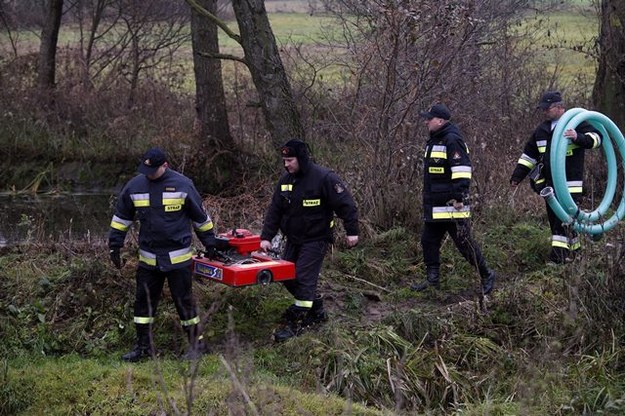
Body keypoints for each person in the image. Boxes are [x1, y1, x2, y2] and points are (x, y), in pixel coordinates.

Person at [108, 147, 217, 362]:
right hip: (149, 259)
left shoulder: (183, 185)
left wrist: (211, 243)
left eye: (153, 170)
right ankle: (143, 348)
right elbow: (121, 219)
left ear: (165, 165)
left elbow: (200, 219)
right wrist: (114, 245)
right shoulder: (134, 186)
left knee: (184, 303)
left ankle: (198, 346)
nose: (148, 174)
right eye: (145, 169)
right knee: (143, 305)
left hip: (178, 260)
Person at [259, 139, 359, 342]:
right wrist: (266, 237)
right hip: (294, 239)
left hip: (316, 238)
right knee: (286, 274)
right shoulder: (286, 181)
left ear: (301, 159)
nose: (286, 164)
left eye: (290, 160)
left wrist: (352, 232)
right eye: (284, 160)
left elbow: (346, 205)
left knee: (304, 278)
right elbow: (275, 210)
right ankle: (316, 308)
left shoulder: (324, 178)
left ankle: (299, 322)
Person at [410, 104, 495, 294]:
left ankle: (487, 274)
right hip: (436, 206)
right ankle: (433, 280)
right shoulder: (434, 140)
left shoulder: (452, 140)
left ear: (440, 121)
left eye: (429, 118)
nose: (426, 121)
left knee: (464, 244)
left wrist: (459, 197)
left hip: (452, 205)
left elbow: (462, 171)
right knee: (428, 242)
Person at [510, 91, 602, 264]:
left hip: (570, 184)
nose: (544, 112)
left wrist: (578, 137)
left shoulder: (577, 124)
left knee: (564, 219)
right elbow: (529, 156)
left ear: (560, 107)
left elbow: (597, 139)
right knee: (557, 219)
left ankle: (558, 258)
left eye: (547, 108)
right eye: (542, 109)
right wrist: (517, 176)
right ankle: (574, 253)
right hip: (550, 184)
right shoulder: (542, 130)